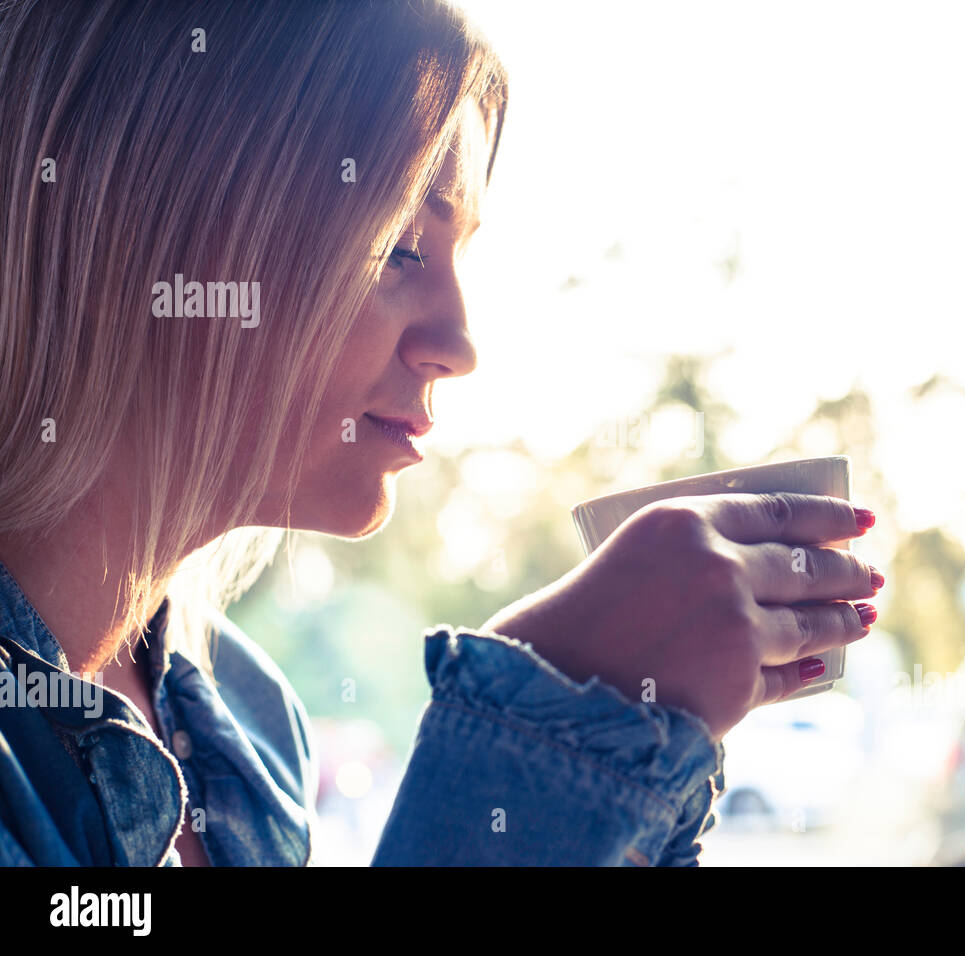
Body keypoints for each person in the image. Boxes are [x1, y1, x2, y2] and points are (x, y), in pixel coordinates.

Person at [0, 0, 883, 867]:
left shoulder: (250, 720)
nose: (459, 347)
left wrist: (624, 750)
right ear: (144, 228)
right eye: (397, 245)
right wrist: (540, 742)